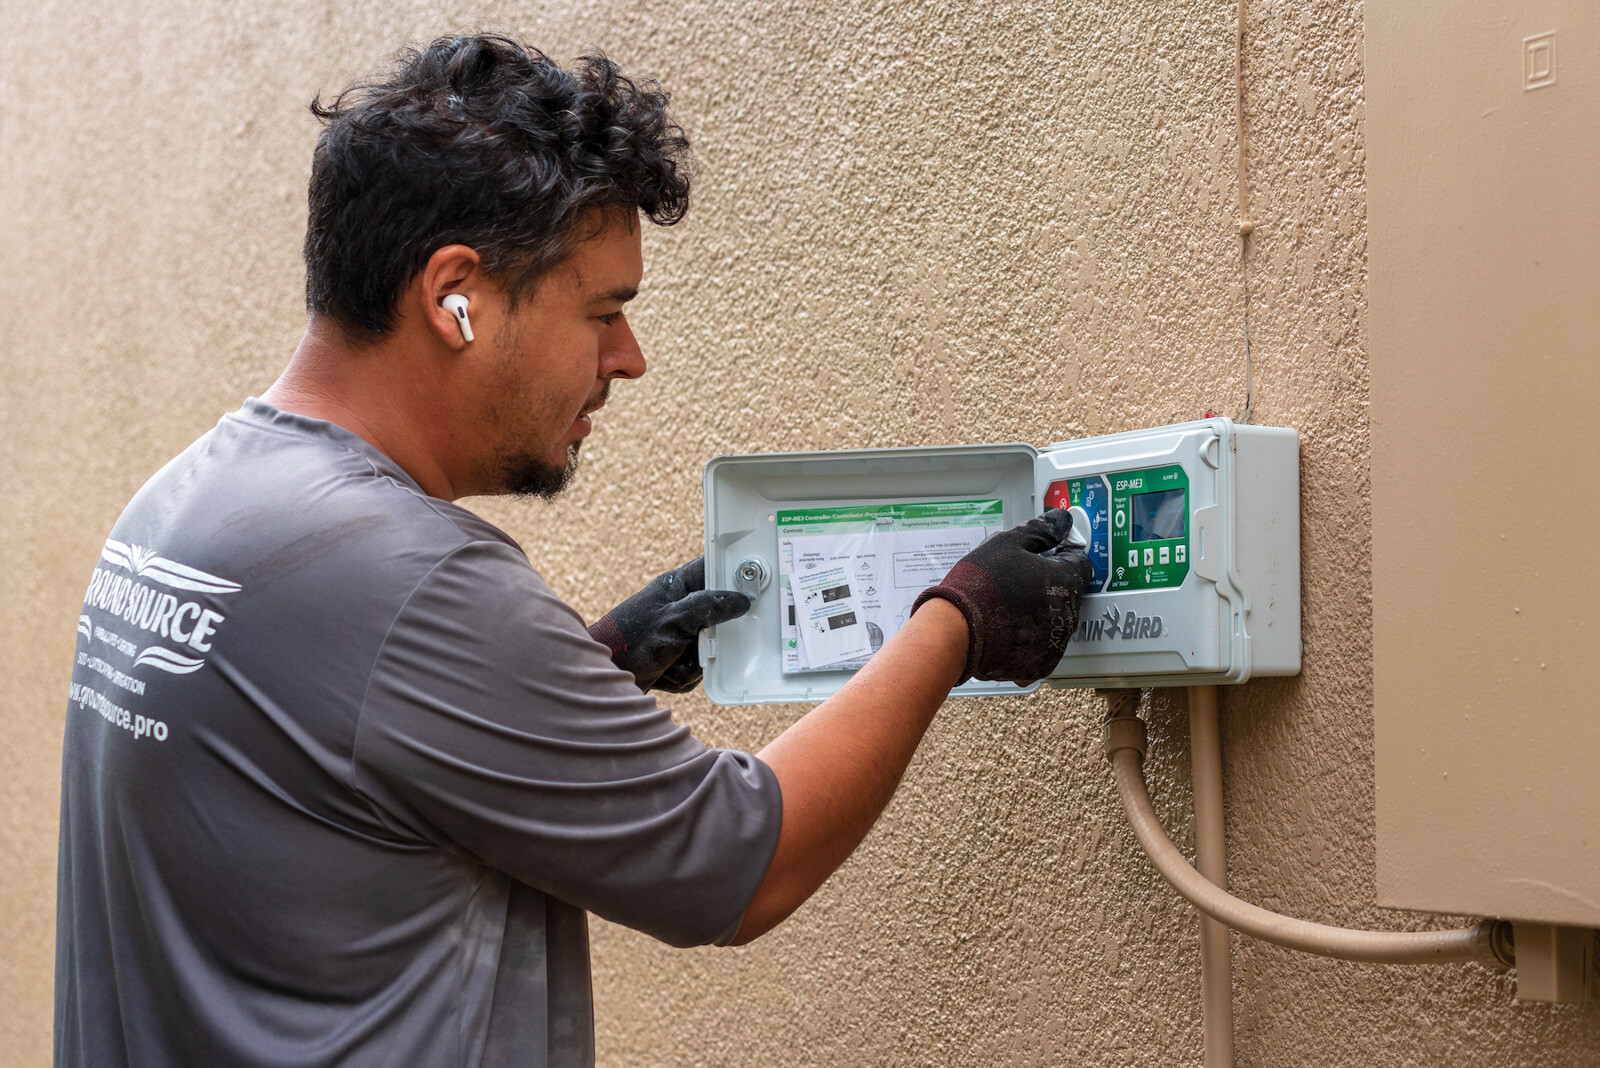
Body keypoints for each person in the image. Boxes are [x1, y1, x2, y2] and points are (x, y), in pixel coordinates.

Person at [54, 33, 1091, 1068]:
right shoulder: (415, 580)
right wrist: (957, 621)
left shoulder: (189, 502)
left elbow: (319, 779)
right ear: (452, 295)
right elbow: (744, 861)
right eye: (603, 312)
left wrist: (582, 665)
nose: (626, 361)